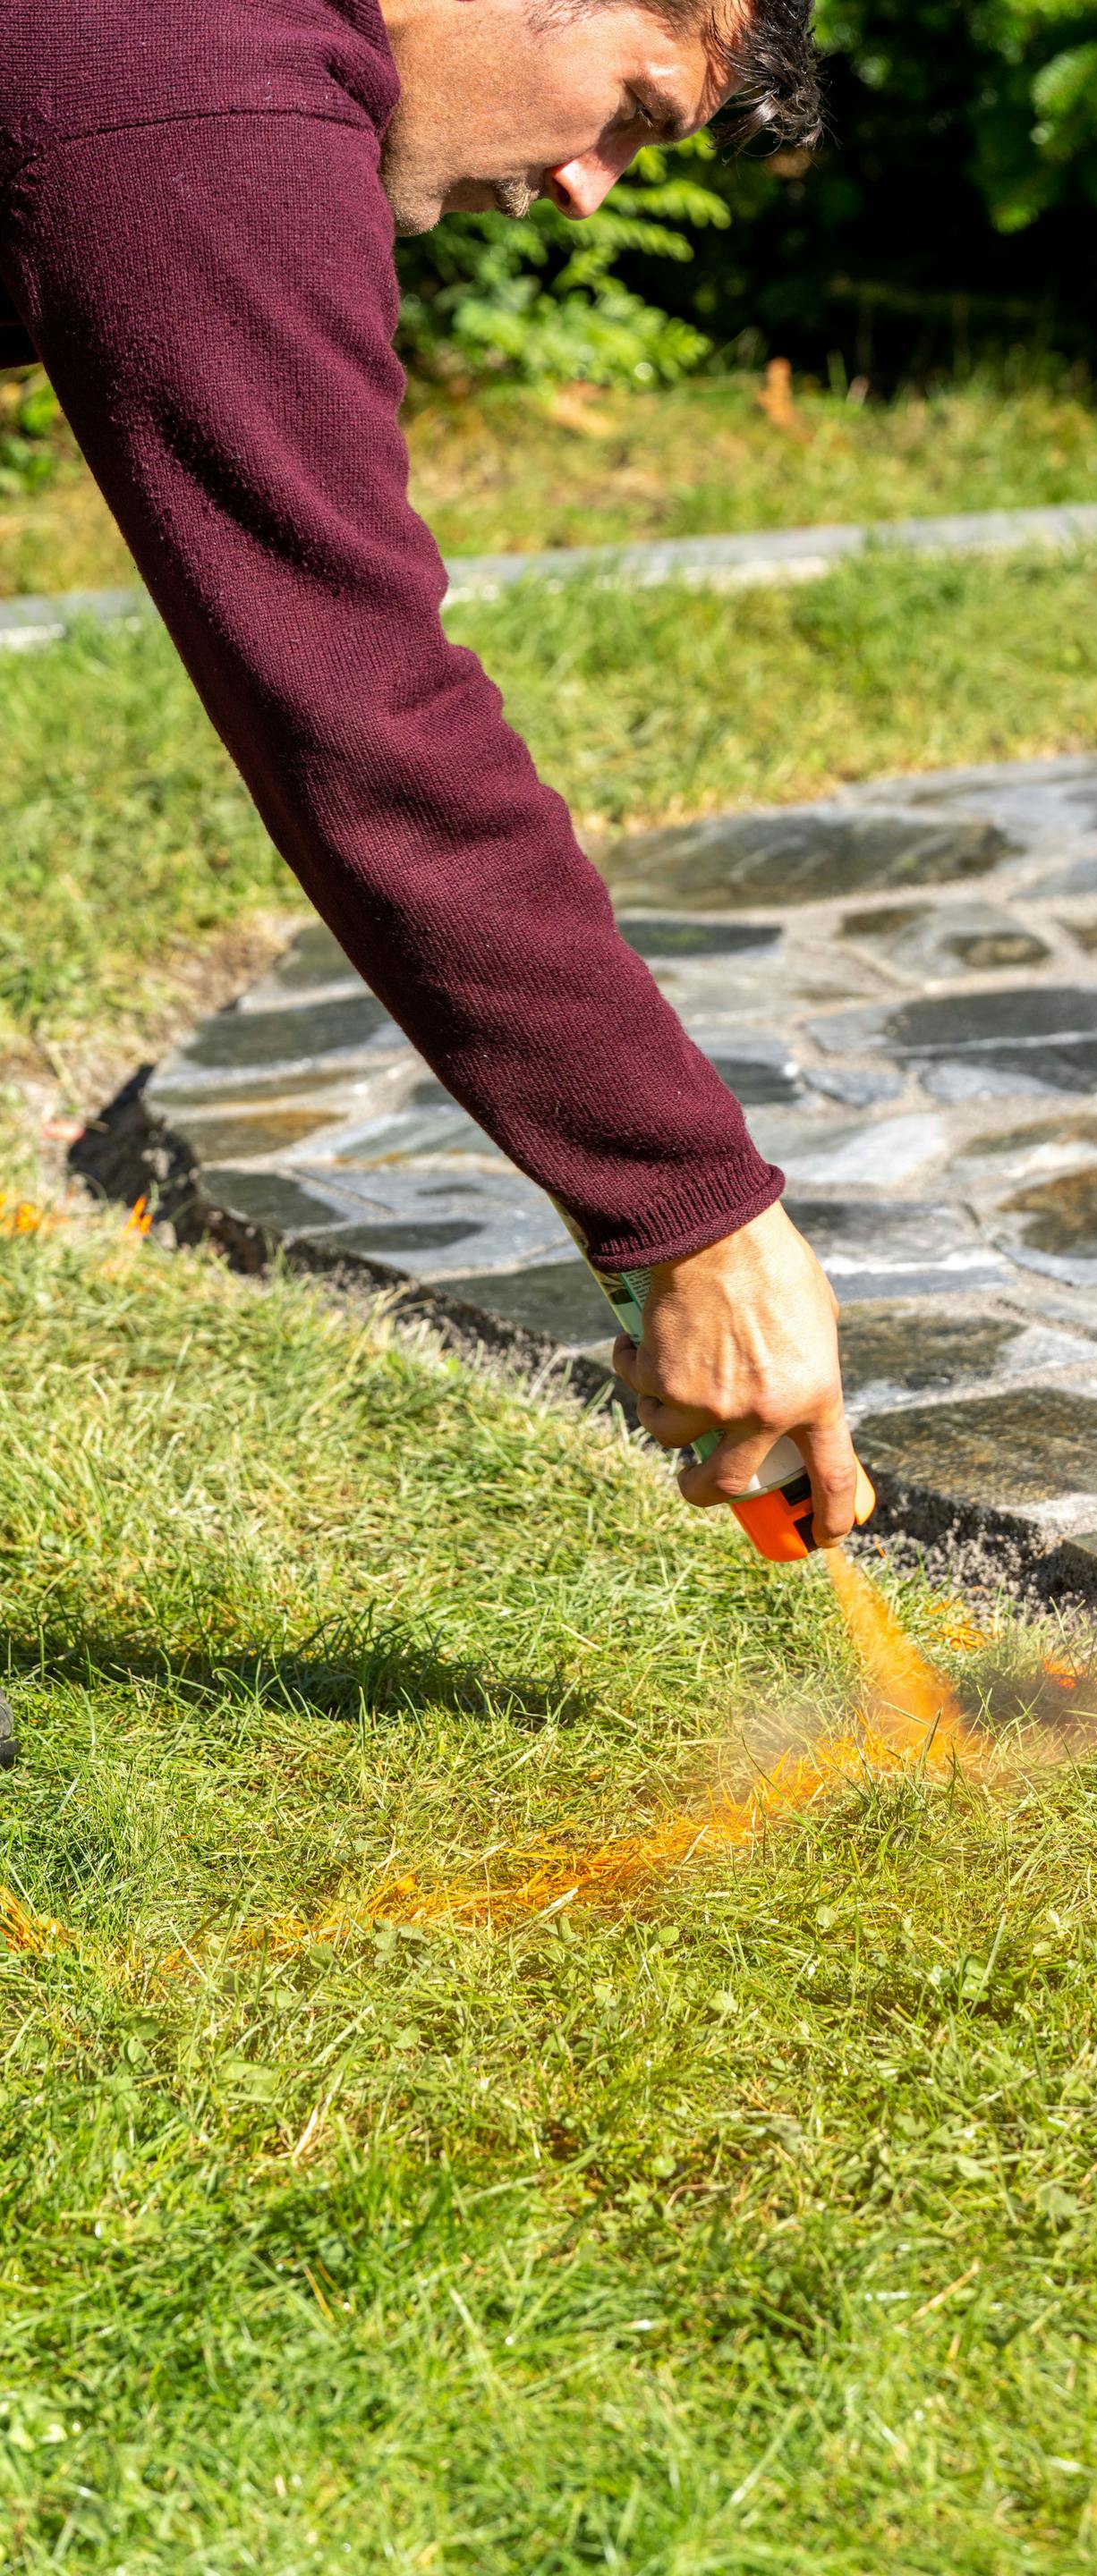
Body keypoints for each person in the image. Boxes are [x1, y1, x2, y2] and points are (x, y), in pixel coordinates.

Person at [0, 0, 861, 1602]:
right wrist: (693, 1214)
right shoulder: (194, 84)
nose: (597, 184)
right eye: (633, 107)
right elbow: (360, 709)